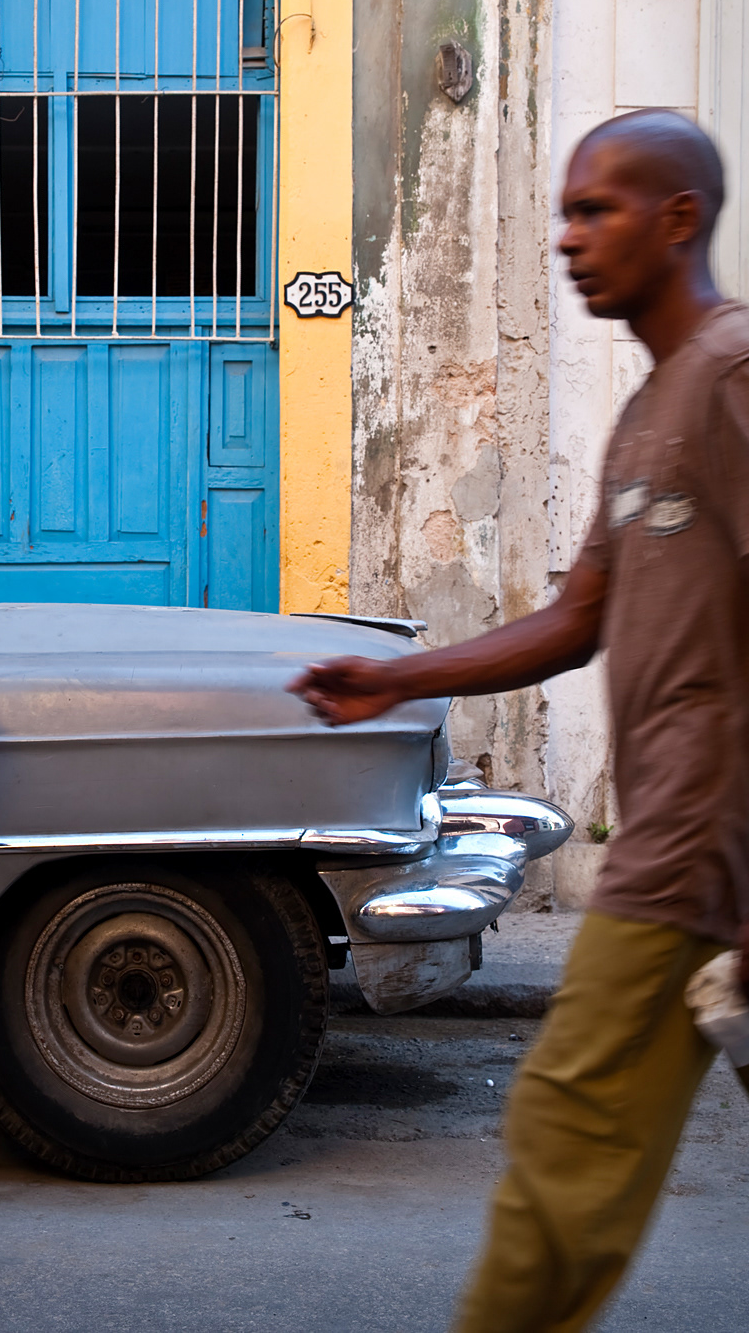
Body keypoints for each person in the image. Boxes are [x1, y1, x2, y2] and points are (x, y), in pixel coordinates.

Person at [290, 109, 749, 1333]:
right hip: (692, 846)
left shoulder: (732, 374)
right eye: (564, 212)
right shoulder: (652, 412)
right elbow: (577, 618)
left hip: (696, 853)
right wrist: (396, 678)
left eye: (596, 210)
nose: (567, 238)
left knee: (566, 1141)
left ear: (679, 219)